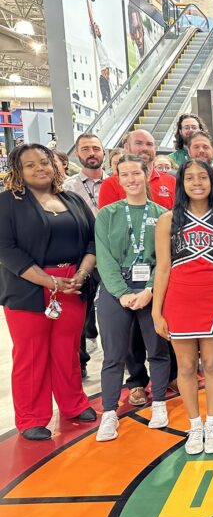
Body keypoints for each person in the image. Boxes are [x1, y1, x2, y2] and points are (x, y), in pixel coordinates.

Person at [0, 144, 97, 440]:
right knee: (31, 354)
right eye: (30, 165)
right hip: (29, 287)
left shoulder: (73, 200)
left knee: (67, 349)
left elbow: (93, 242)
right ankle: (32, 417)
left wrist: (81, 273)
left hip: (73, 283)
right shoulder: (7, 203)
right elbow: (6, 249)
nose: (39, 168)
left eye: (44, 162)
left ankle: (73, 404)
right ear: (18, 170)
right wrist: (48, 281)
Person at [152, 159, 213, 454]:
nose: (197, 182)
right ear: (182, 183)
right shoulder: (167, 220)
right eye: (189, 178)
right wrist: (156, 310)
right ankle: (194, 425)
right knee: (187, 366)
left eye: (203, 177)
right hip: (179, 298)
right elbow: (163, 268)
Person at [95, 155, 171, 441]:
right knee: (114, 354)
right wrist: (123, 293)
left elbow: (164, 259)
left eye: (136, 173)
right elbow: (104, 258)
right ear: (117, 178)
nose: (131, 179)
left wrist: (151, 289)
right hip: (117, 289)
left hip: (153, 287)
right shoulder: (108, 214)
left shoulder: (162, 214)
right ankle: (109, 413)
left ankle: (160, 402)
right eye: (124, 174)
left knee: (157, 348)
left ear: (146, 173)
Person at [64, 134, 108, 378]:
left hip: (112, 255)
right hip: (82, 255)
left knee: (116, 311)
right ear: (77, 154)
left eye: (96, 148)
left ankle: (121, 357)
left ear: (103, 153)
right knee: (79, 313)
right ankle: (79, 362)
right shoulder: (67, 187)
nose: (92, 153)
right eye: (86, 149)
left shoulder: (116, 181)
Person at [99, 130, 176, 210]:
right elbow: (107, 220)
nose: (145, 148)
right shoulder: (110, 184)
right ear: (126, 147)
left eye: (149, 144)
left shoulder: (172, 182)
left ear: (155, 149)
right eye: (138, 143)